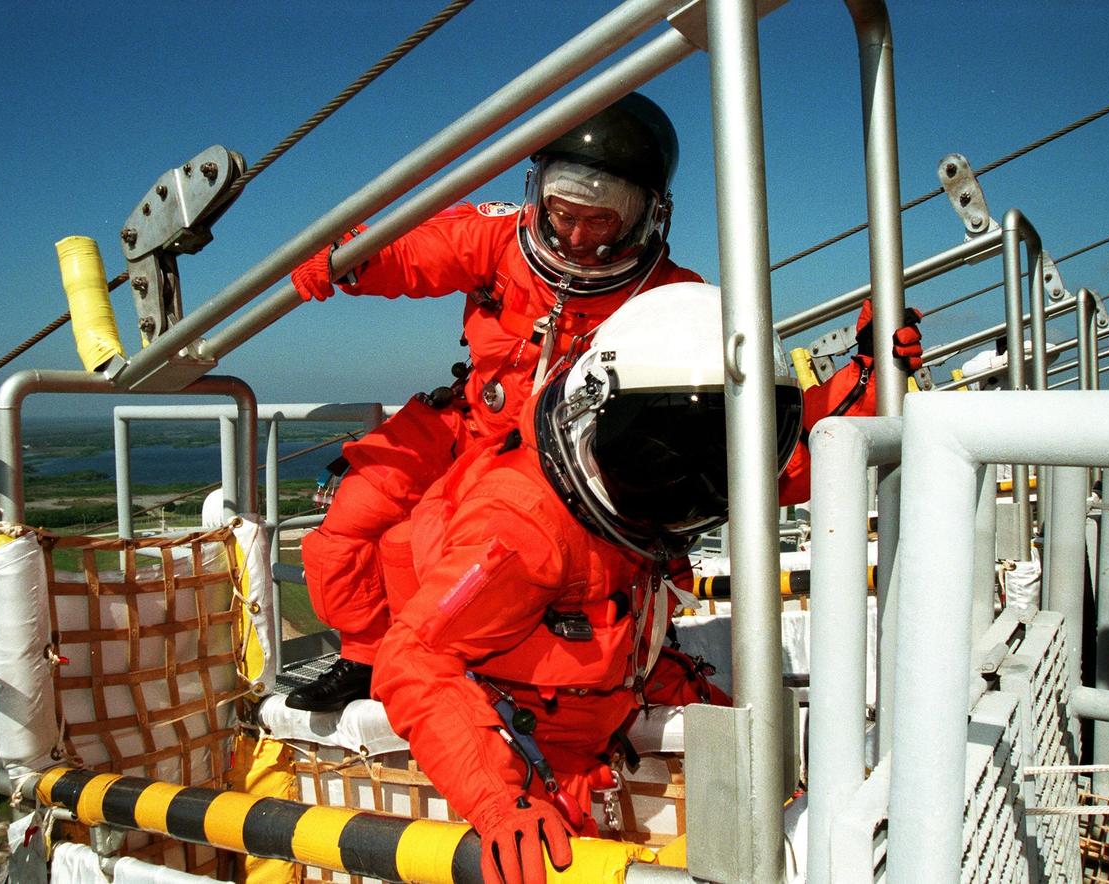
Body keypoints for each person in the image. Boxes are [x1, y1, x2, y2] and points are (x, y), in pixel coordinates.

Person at [286, 93, 703, 711]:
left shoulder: (671, 297)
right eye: (562, 214)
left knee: (434, 548)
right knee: (351, 520)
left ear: (645, 217)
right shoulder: (499, 237)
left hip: (565, 460)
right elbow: (419, 250)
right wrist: (354, 258)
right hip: (471, 419)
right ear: (539, 197)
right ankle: (365, 654)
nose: (576, 233)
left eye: (601, 222)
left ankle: (510, 672)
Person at [371, 283, 798, 884]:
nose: (684, 488)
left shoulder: (641, 513)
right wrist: (497, 801)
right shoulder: (524, 530)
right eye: (658, 462)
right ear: (592, 415)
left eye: (706, 466)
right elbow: (413, 656)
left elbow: (623, 634)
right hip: (517, 760)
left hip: (590, 733)